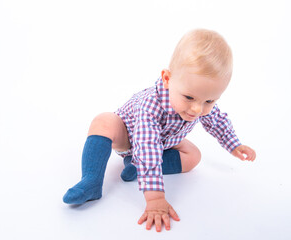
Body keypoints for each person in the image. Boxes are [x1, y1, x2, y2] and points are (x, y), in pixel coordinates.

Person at [62, 29, 256, 232]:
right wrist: (155, 197)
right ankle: (91, 181)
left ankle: (136, 168)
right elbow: (147, 146)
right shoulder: (150, 107)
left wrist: (235, 145)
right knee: (103, 121)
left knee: (194, 157)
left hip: (165, 141)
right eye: (189, 98)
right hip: (129, 136)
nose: (197, 109)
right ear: (167, 79)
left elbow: (216, 121)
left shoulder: (199, 100)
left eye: (209, 100)